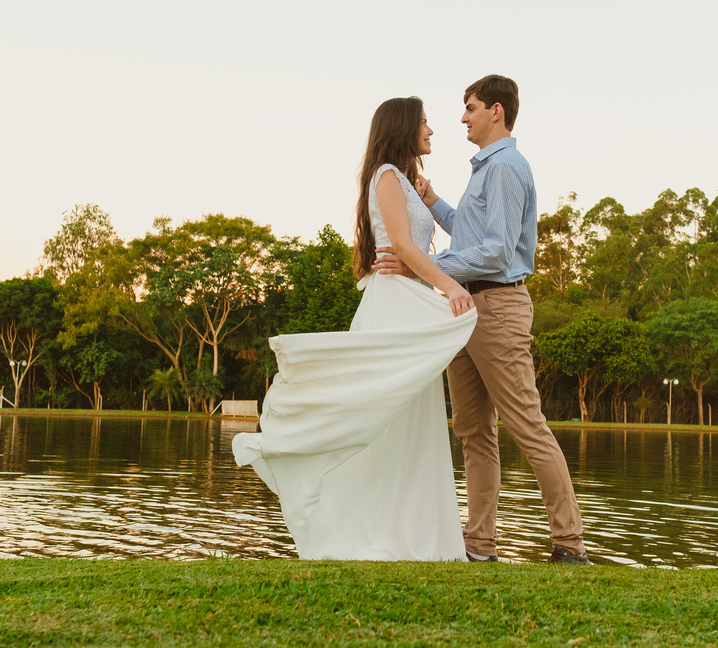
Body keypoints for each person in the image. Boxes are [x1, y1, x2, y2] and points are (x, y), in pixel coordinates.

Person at [232, 96, 477, 561]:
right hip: (393, 306)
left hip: (407, 300)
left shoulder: (403, 180)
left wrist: (427, 198)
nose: (432, 130)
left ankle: (416, 533)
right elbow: (403, 246)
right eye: (425, 122)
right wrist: (451, 288)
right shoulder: (386, 176)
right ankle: (371, 527)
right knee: (384, 414)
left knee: (412, 417)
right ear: (405, 128)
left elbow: (414, 242)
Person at [373, 75, 589, 565]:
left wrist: (420, 266)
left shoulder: (508, 167)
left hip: (498, 306)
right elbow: (471, 234)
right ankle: (478, 545)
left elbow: (495, 252)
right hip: (462, 308)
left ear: (496, 110)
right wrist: (433, 202)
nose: (462, 118)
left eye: (469, 108)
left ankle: (570, 543)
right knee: (472, 430)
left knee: (525, 423)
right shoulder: (484, 171)